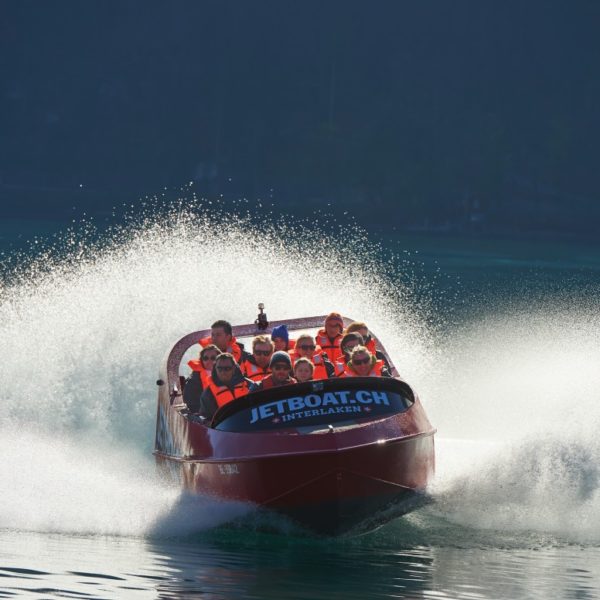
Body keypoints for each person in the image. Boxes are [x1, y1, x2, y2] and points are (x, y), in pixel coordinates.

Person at [197, 353, 256, 420]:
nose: (223, 372)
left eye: (227, 368)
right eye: (220, 368)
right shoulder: (208, 394)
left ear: (234, 369)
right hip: (225, 429)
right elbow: (206, 419)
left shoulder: (250, 386)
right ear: (215, 369)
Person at [183, 344, 221, 413]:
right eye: (205, 358)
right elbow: (192, 405)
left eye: (213, 358)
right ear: (201, 360)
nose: (209, 361)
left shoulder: (229, 375)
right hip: (207, 419)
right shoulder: (193, 381)